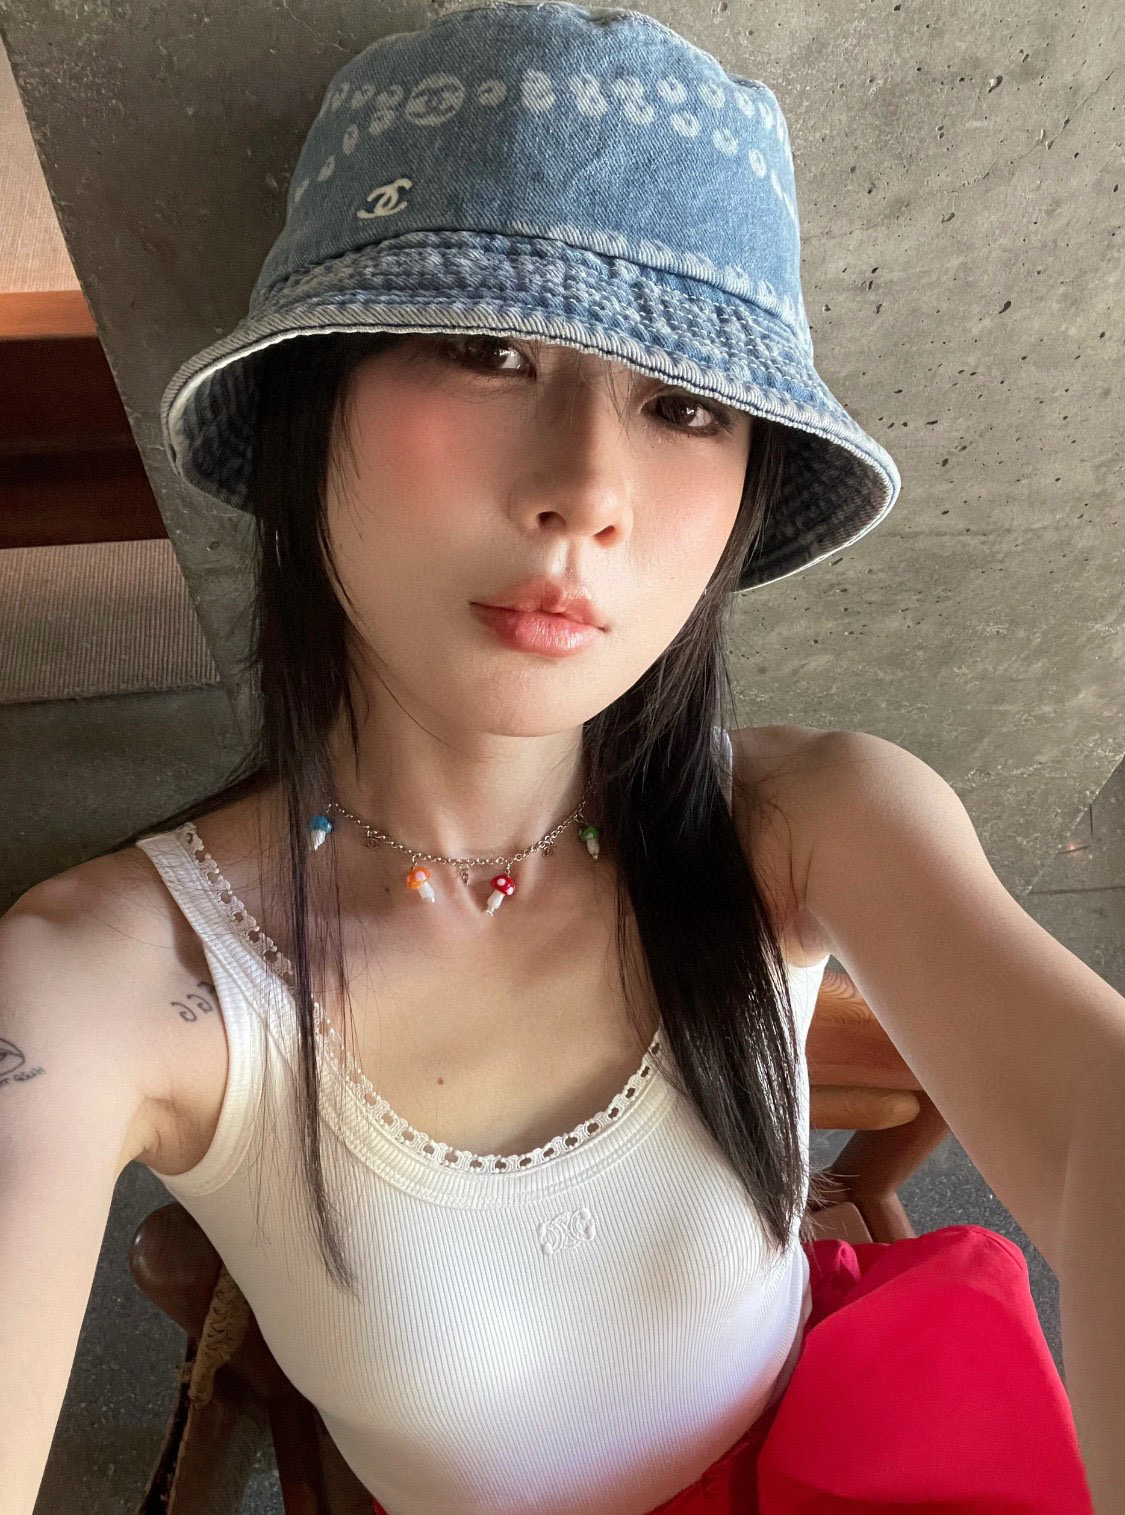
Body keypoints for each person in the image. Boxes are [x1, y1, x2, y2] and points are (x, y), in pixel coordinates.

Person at [0, 4, 1106, 1512]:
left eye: (684, 404)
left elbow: (1096, 1127)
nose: (588, 491)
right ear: (309, 406)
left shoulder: (811, 819)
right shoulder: (118, 982)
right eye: (487, 350)